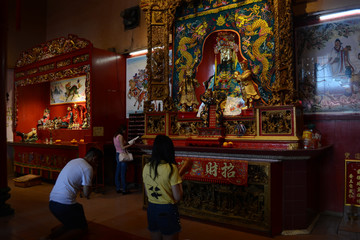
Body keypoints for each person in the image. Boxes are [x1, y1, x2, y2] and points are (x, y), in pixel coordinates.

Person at [44, 147, 103, 240]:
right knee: (81, 229)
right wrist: (93, 174)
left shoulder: (74, 161)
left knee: (77, 211)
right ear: (94, 158)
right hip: (64, 205)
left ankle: (48, 238)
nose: (97, 165)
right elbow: (87, 194)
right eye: (98, 163)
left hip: (52, 203)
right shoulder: (88, 168)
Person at [142, 135, 183, 240]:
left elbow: (147, 193)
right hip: (167, 210)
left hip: (151, 208)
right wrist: (180, 181)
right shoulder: (171, 168)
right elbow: (177, 196)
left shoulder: (146, 167)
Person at [113, 125, 133, 194]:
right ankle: (124, 189)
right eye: (125, 130)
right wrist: (131, 144)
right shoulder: (121, 136)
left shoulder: (115, 136)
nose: (125, 132)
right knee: (123, 173)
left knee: (117, 172)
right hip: (122, 155)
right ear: (123, 130)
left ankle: (118, 188)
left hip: (117, 154)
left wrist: (126, 142)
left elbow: (119, 145)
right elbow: (122, 147)